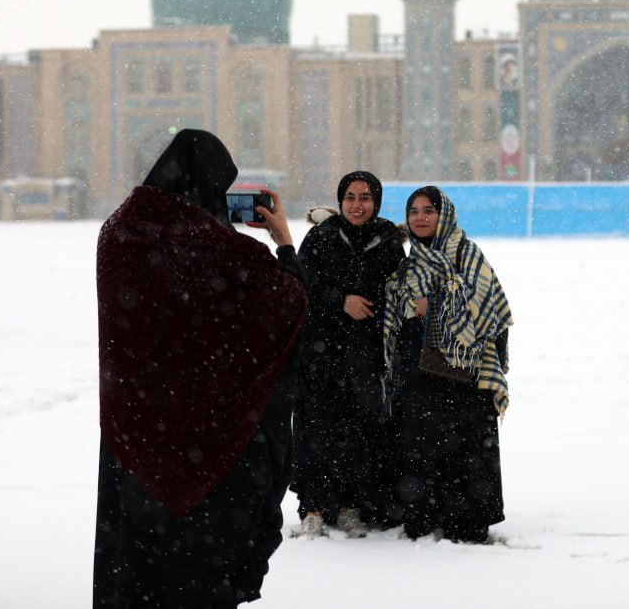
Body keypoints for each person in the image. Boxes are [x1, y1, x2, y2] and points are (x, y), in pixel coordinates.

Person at [93, 129, 307, 608]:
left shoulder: (117, 235)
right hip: (209, 458)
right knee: (197, 582)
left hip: (135, 446)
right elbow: (292, 305)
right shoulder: (221, 251)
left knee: (137, 575)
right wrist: (284, 243)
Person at [382, 186, 513, 544]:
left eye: (429, 210)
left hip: (464, 371)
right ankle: (424, 516)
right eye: (414, 211)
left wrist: (437, 303)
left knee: (464, 447)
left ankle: (466, 521)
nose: (421, 217)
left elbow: (489, 309)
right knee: (421, 443)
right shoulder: (409, 262)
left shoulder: (466, 254)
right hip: (418, 366)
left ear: (445, 215)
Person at [289, 171, 405, 539]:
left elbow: (399, 289)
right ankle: (313, 508)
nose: (357, 205)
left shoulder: (387, 240)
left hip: (365, 358)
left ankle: (350, 506)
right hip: (320, 357)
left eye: (365, 198)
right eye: (351, 197)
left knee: (358, 433)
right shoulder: (321, 236)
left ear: (377, 202)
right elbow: (301, 286)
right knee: (314, 431)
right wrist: (341, 301)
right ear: (340, 201)